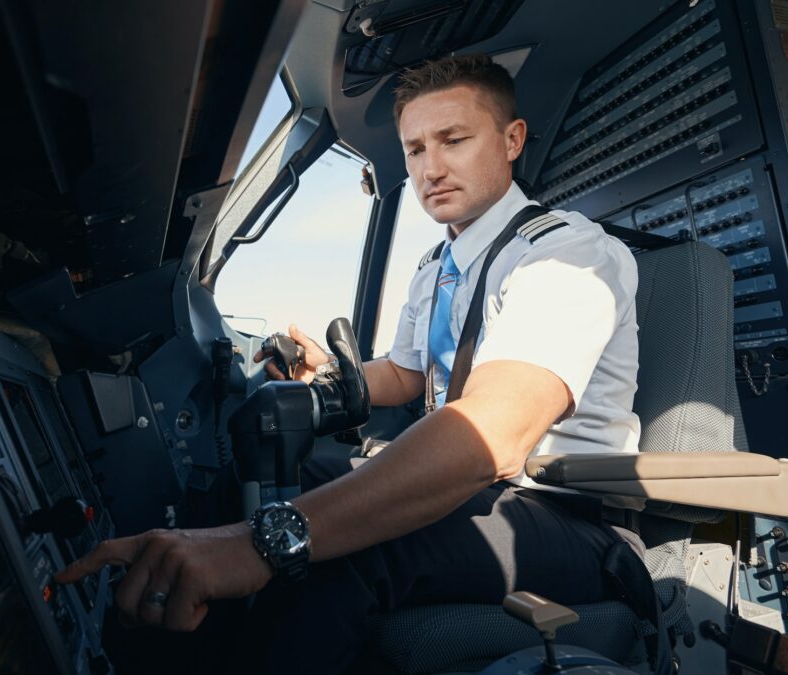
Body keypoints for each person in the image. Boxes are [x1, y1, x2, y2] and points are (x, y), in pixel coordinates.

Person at [56, 53, 644, 673]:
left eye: (454, 140)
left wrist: (258, 545)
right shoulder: (435, 269)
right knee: (294, 477)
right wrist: (337, 376)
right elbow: (411, 376)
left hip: (562, 515)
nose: (430, 168)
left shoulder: (565, 255)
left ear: (511, 139)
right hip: (482, 493)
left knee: (335, 552)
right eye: (415, 149)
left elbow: (492, 438)